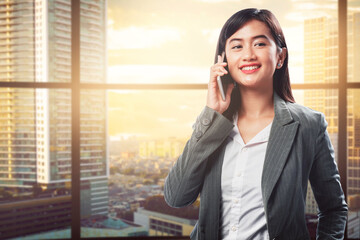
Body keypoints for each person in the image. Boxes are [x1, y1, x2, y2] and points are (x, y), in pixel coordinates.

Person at [164, 8, 348, 240]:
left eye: (259, 44)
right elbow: (176, 197)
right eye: (237, 46)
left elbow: (333, 209)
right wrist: (211, 114)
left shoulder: (308, 125)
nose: (248, 55)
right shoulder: (212, 124)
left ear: (280, 57)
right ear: (224, 60)